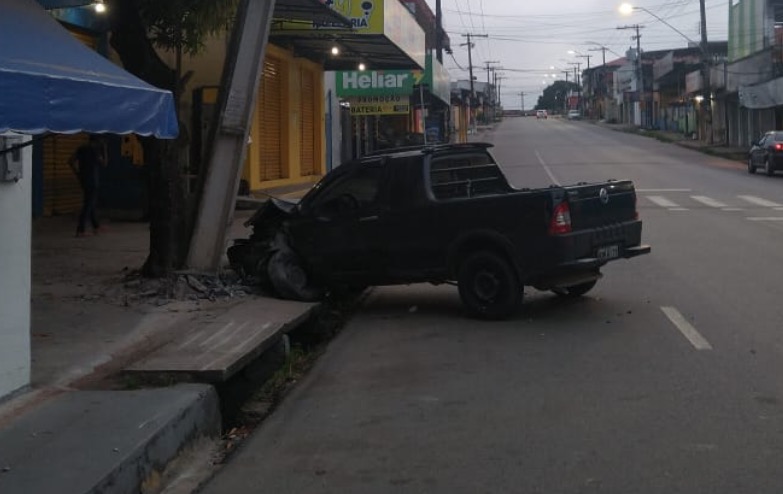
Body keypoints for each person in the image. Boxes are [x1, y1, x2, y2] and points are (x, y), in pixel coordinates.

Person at [68, 135, 107, 237]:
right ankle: (80, 229)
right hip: (93, 181)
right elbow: (104, 163)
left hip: (83, 179)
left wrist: (78, 173)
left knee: (90, 202)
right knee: (88, 204)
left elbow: (70, 161)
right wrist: (105, 149)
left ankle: (96, 226)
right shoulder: (95, 151)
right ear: (97, 141)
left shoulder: (81, 149)